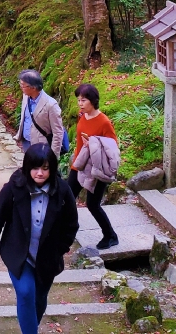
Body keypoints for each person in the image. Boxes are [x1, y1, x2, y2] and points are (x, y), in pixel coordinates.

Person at [0, 144, 79, 334]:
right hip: (18, 252)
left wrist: (60, 248)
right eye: (35, 168)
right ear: (27, 167)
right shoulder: (14, 187)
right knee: (26, 293)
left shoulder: (63, 191)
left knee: (39, 298)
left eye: (45, 168)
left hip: (47, 256)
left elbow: (71, 224)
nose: (40, 173)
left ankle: (30, 327)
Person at [66, 83, 119, 250]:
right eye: (78, 100)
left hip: (97, 168)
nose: (80, 103)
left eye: (83, 100)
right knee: (67, 198)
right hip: (80, 163)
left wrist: (96, 143)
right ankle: (68, 231)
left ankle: (110, 235)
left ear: (93, 101)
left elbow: (112, 146)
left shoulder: (104, 122)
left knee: (92, 204)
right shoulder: (83, 116)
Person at [15, 70, 65, 156]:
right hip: (26, 141)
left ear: (33, 88)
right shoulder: (26, 96)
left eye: (23, 85)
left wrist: (53, 156)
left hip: (41, 147)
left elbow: (58, 132)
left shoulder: (51, 105)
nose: (21, 87)